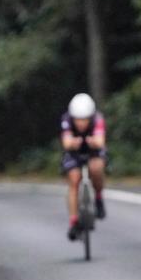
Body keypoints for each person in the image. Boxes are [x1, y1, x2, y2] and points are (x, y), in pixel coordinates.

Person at [60, 93, 107, 240]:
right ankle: (74, 221)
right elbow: (66, 142)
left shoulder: (98, 119)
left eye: (85, 119)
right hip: (74, 152)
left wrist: (92, 142)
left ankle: (98, 197)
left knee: (96, 169)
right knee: (74, 180)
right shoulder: (66, 119)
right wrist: (74, 143)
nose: (81, 123)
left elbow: (100, 141)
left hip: (93, 150)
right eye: (78, 119)